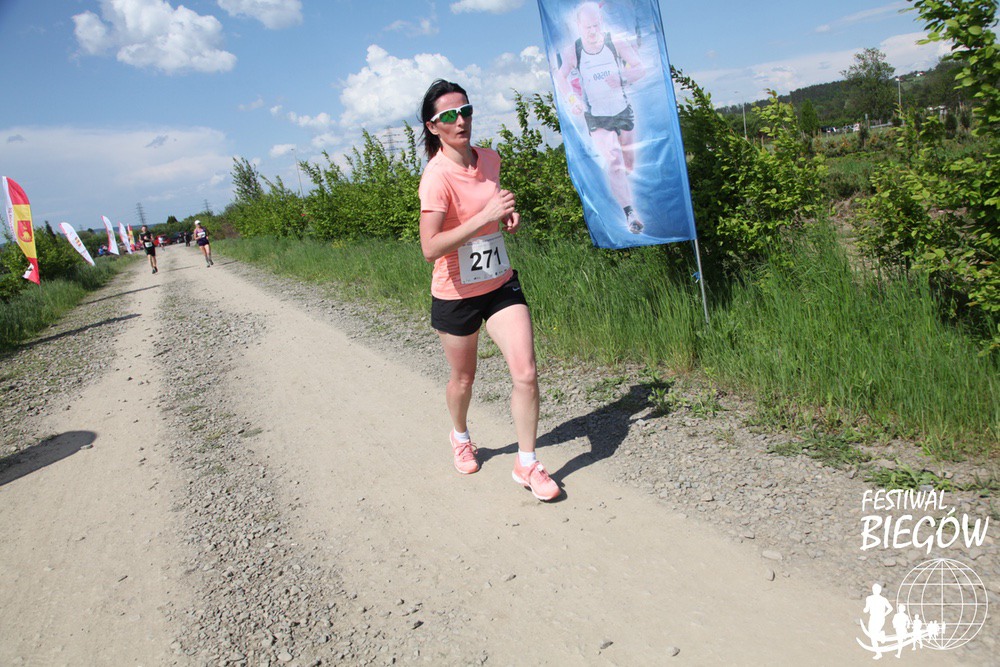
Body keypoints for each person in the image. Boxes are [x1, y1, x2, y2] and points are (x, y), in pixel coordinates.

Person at [417, 79, 559, 502]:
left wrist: (505, 217)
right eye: (449, 115)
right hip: (456, 292)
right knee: (464, 378)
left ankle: (527, 463)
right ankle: (460, 436)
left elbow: (491, 210)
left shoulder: (490, 158)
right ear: (433, 127)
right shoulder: (436, 177)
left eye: (466, 111)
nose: (461, 120)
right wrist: (484, 218)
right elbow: (430, 247)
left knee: (526, 372)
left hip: (499, 283)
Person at [555, 1, 646, 233]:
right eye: (588, 28)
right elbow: (560, 76)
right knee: (613, 161)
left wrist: (622, 78)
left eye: (596, 26)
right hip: (597, 117)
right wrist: (573, 100)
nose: (593, 32)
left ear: (601, 22)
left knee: (628, 162)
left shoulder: (615, 42)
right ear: (579, 26)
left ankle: (625, 185)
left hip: (622, 110)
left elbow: (640, 68)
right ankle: (630, 214)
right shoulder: (573, 51)